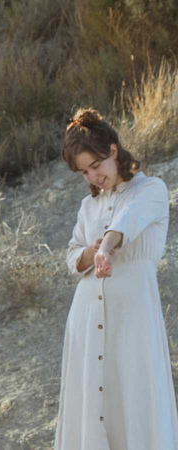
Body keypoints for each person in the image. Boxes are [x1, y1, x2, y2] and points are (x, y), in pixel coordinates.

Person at [55, 109, 178, 448]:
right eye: (84, 172)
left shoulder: (151, 189)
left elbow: (127, 221)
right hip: (86, 317)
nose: (93, 176)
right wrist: (90, 252)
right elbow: (72, 256)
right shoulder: (88, 207)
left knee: (135, 401)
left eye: (96, 165)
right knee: (91, 407)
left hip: (133, 318)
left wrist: (105, 248)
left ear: (113, 150)